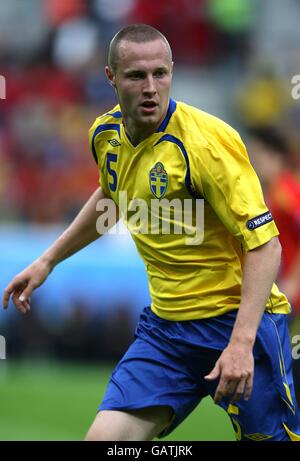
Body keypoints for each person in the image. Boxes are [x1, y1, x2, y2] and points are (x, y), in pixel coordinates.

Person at [2, 24, 300, 442]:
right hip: (167, 330)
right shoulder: (104, 136)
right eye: (136, 76)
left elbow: (265, 245)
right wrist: (48, 260)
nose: (150, 87)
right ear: (111, 77)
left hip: (238, 323)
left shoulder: (208, 144)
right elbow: (112, 198)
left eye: (160, 74)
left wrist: (240, 343)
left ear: (173, 72)